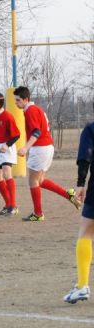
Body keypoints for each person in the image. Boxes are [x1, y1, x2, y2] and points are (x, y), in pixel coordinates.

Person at [14, 86, 80, 221]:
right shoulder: (36, 108)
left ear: (26, 99)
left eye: (18, 100)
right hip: (46, 147)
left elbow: (36, 132)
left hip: (40, 148)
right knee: (40, 181)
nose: (16, 103)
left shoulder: (30, 110)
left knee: (33, 181)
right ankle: (68, 195)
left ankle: (38, 214)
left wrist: (26, 148)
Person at [64, 115, 94, 303]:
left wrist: (80, 183)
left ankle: (82, 285)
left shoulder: (90, 130)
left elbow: (85, 157)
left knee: (85, 232)